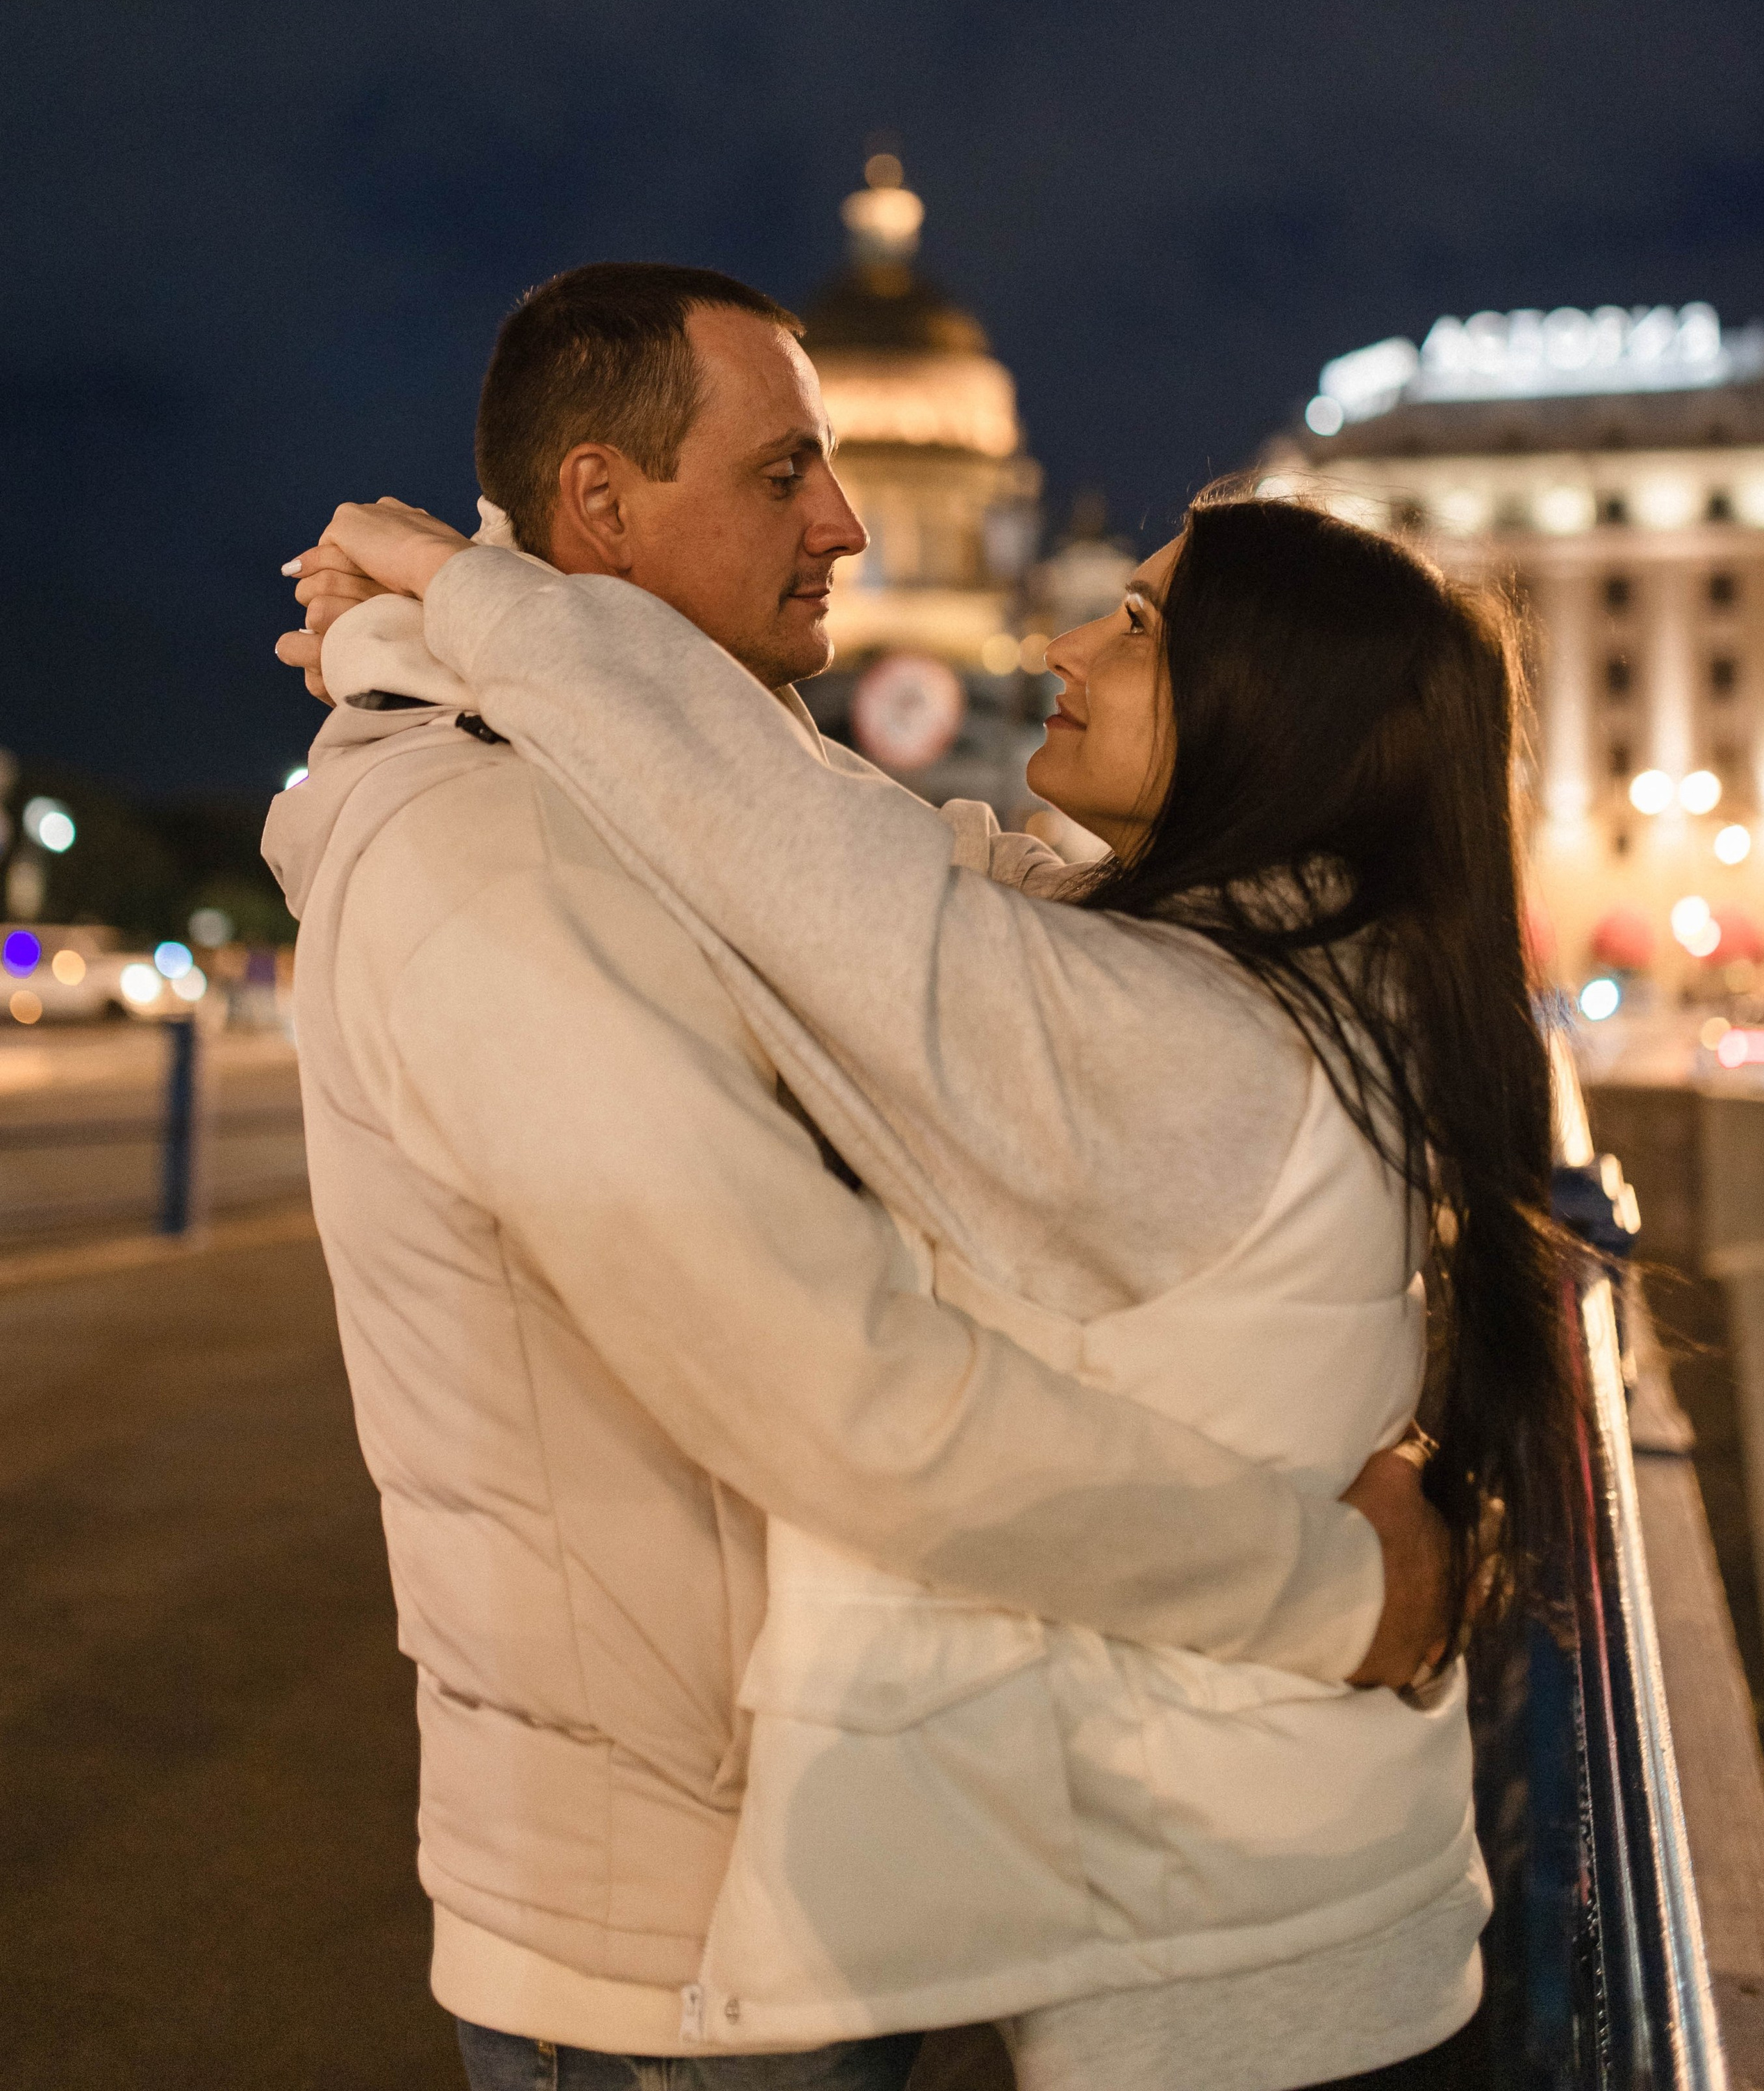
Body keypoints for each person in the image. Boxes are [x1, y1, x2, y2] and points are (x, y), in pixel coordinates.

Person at [267, 263, 1449, 2091]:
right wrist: (1340, 1591)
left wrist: (459, 615)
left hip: (833, 1876)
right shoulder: (509, 853)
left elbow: (939, 902)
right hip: (673, 1942)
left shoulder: (692, 798)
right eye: (785, 474)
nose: (851, 523)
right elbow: (837, 1394)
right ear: (599, 503)